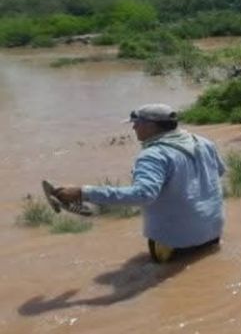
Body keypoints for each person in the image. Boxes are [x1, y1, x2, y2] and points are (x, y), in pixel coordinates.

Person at [54, 104, 226, 263]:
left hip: (175, 241)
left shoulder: (153, 155)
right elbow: (219, 171)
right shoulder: (203, 142)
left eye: (136, 123)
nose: (133, 127)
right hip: (212, 232)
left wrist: (83, 192)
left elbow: (142, 196)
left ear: (151, 126)